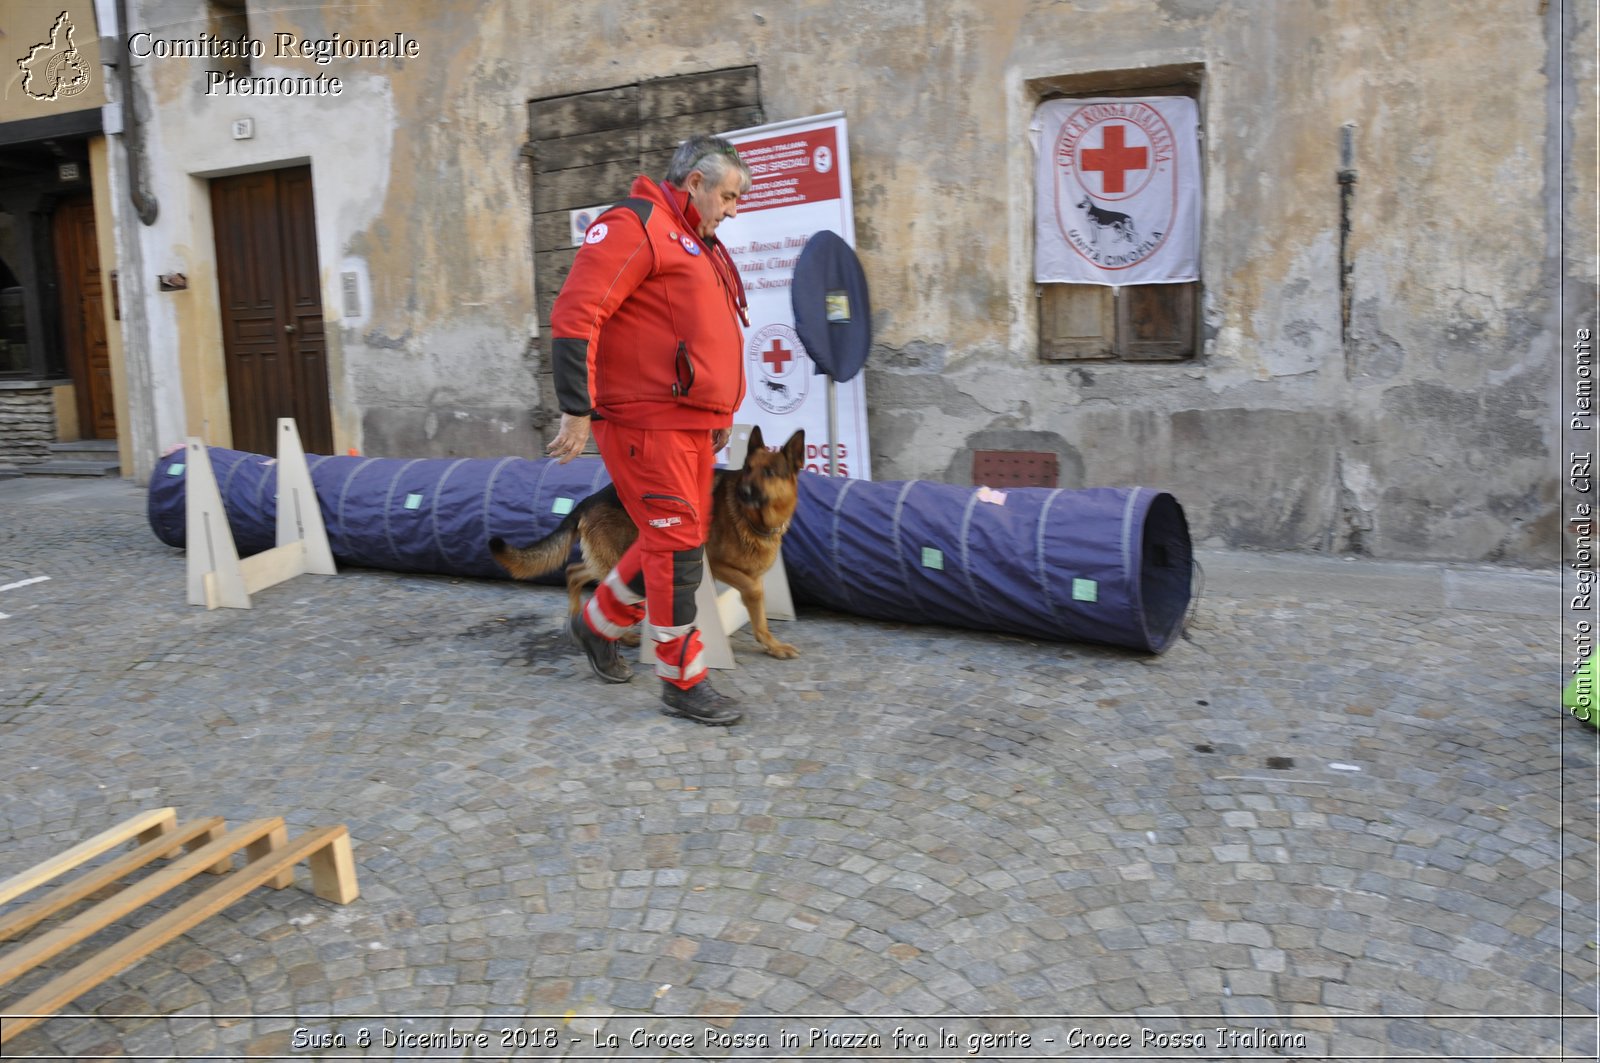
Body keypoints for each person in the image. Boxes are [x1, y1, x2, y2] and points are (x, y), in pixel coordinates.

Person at [544, 134, 752, 726]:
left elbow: (700, 336)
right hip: (643, 424)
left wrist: (718, 415)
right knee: (678, 545)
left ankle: (598, 623)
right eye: (729, 197)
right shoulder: (633, 225)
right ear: (695, 184)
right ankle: (682, 680)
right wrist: (575, 407)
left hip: (687, 425)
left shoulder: (695, 241)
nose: (733, 210)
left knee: (678, 537)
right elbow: (576, 313)